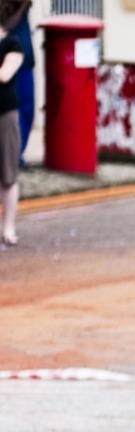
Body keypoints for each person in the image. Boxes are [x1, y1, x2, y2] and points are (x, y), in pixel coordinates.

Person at [0, 0, 23, 248]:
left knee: (8, 175)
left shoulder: (12, 44)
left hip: (5, 114)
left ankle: (8, 227)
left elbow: (4, 74)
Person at [2, 0, 29, 148]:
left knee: (26, 109)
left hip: (25, 60)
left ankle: (18, 152)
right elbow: (7, 24)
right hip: (10, 58)